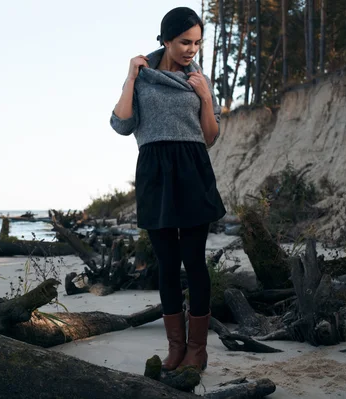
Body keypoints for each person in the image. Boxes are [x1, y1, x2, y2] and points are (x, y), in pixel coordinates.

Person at [109, 7, 226, 373]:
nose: (192, 49)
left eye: (196, 42)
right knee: (166, 264)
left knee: (194, 262)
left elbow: (209, 137)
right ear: (165, 40)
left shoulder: (199, 80)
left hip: (193, 170)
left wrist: (206, 98)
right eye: (184, 42)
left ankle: (198, 349)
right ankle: (175, 347)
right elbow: (121, 124)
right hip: (155, 173)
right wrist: (130, 76)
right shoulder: (143, 77)